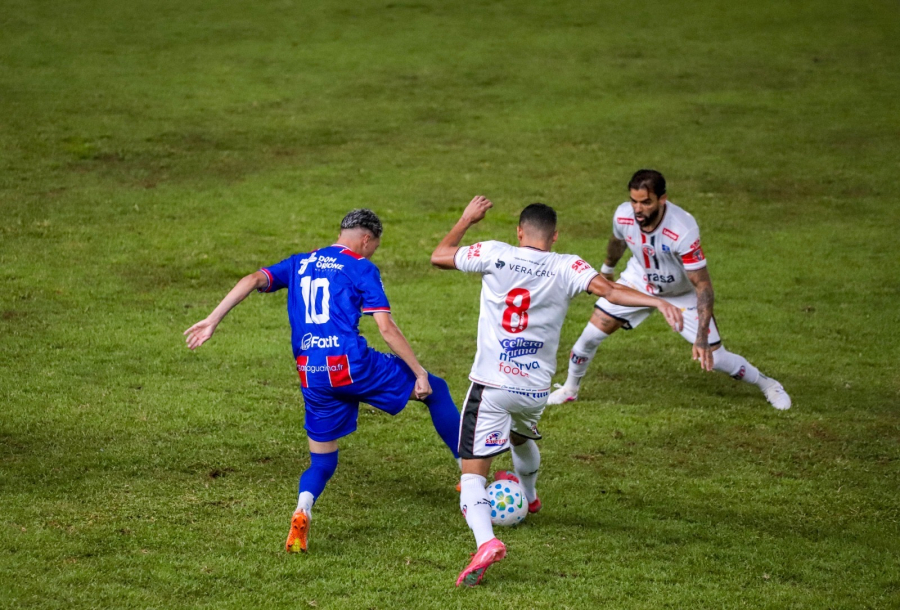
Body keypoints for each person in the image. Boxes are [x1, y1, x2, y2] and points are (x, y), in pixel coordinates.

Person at [431, 196, 683, 587]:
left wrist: (466, 218)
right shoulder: (568, 264)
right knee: (520, 436)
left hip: (493, 384)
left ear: (519, 232)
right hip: (535, 388)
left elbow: (439, 255)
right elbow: (613, 293)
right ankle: (529, 497)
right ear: (555, 237)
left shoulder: (495, 253)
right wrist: (656, 301)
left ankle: (486, 542)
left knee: (471, 475)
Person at [184, 209, 462, 553]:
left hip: (312, 372)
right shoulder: (360, 266)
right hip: (353, 366)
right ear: (366, 238)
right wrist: (418, 371)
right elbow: (386, 328)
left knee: (322, 461)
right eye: (374, 245)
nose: (373, 251)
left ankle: (303, 508)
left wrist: (212, 320)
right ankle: (469, 474)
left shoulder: (299, 263)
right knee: (437, 390)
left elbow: (251, 279)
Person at [547, 169, 791, 410]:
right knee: (587, 339)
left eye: (646, 202)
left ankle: (768, 384)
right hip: (638, 281)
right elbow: (617, 241)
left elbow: (703, 284)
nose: (638, 209)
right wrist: (608, 269)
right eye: (634, 201)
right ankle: (570, 389)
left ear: (662, 199)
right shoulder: (623, 215)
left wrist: (702, 337)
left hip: (679, 294)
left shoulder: (682, 229)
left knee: (715, 358)